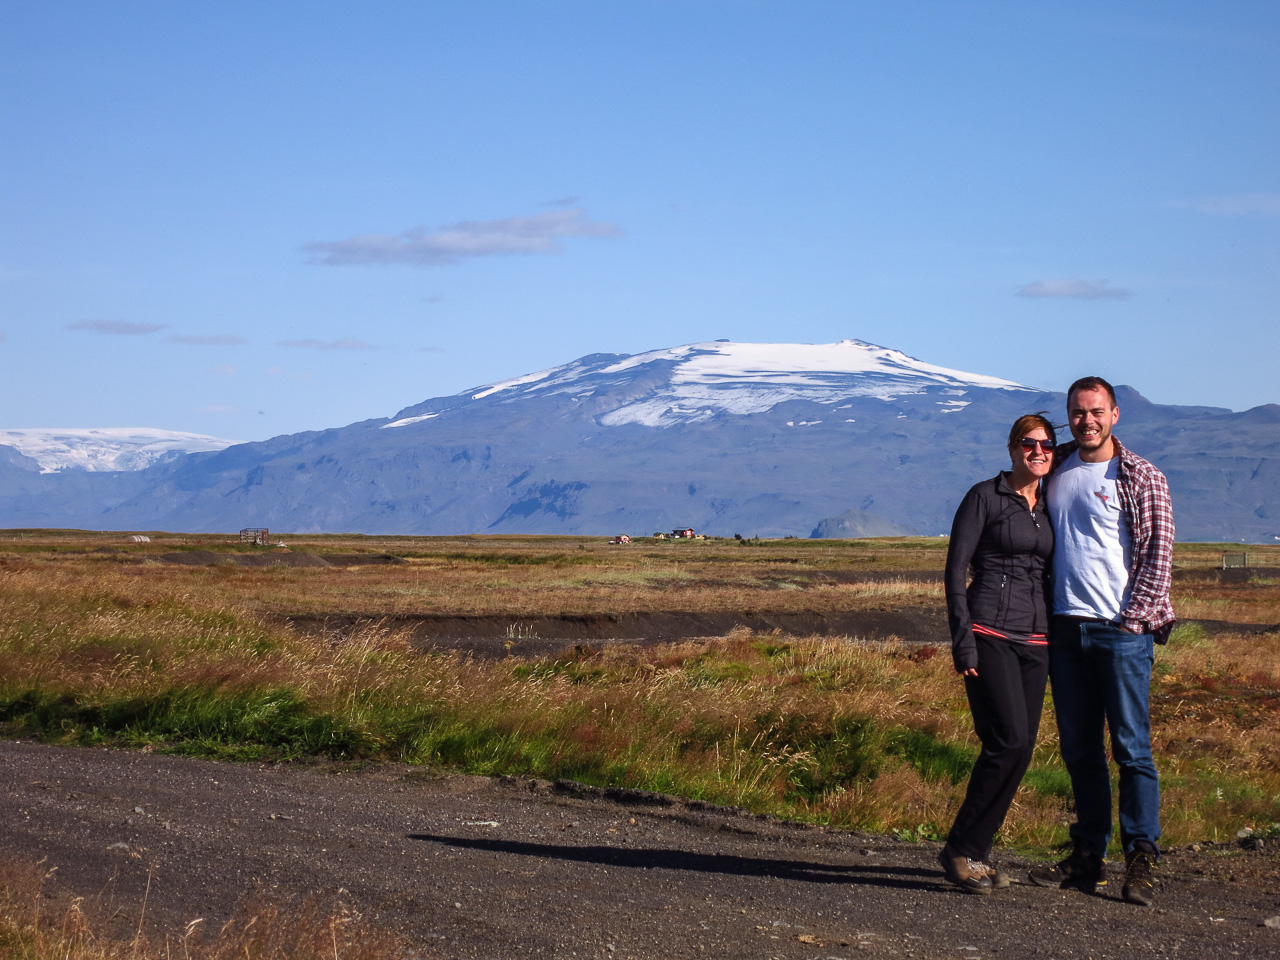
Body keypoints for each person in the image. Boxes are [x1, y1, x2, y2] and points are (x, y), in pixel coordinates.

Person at [1029, 376, 1175, 906]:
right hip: (1065, 630)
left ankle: (1141, 858)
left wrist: (1132, 623)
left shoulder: (1140, 476)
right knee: (1080, 750)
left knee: (1132, 749)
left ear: (1115, 415)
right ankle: (1088, 855)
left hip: (1120, 631)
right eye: (1076, 412)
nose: (1085, 420)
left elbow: (1159, 557)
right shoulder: (1055, 466)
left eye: (1095, 412)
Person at [938, 413, 1056, 894]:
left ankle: (974, 850)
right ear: (1011, 448)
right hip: (989, 632)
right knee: (1006, 740)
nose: (1038, 452)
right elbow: (955, 571)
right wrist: (961, 638)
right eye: (1028, 444)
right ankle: (961, 850)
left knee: (1021, 748)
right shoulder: (984, 496)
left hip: (1038, 640)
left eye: (1046, 445)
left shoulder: (1051, 502)